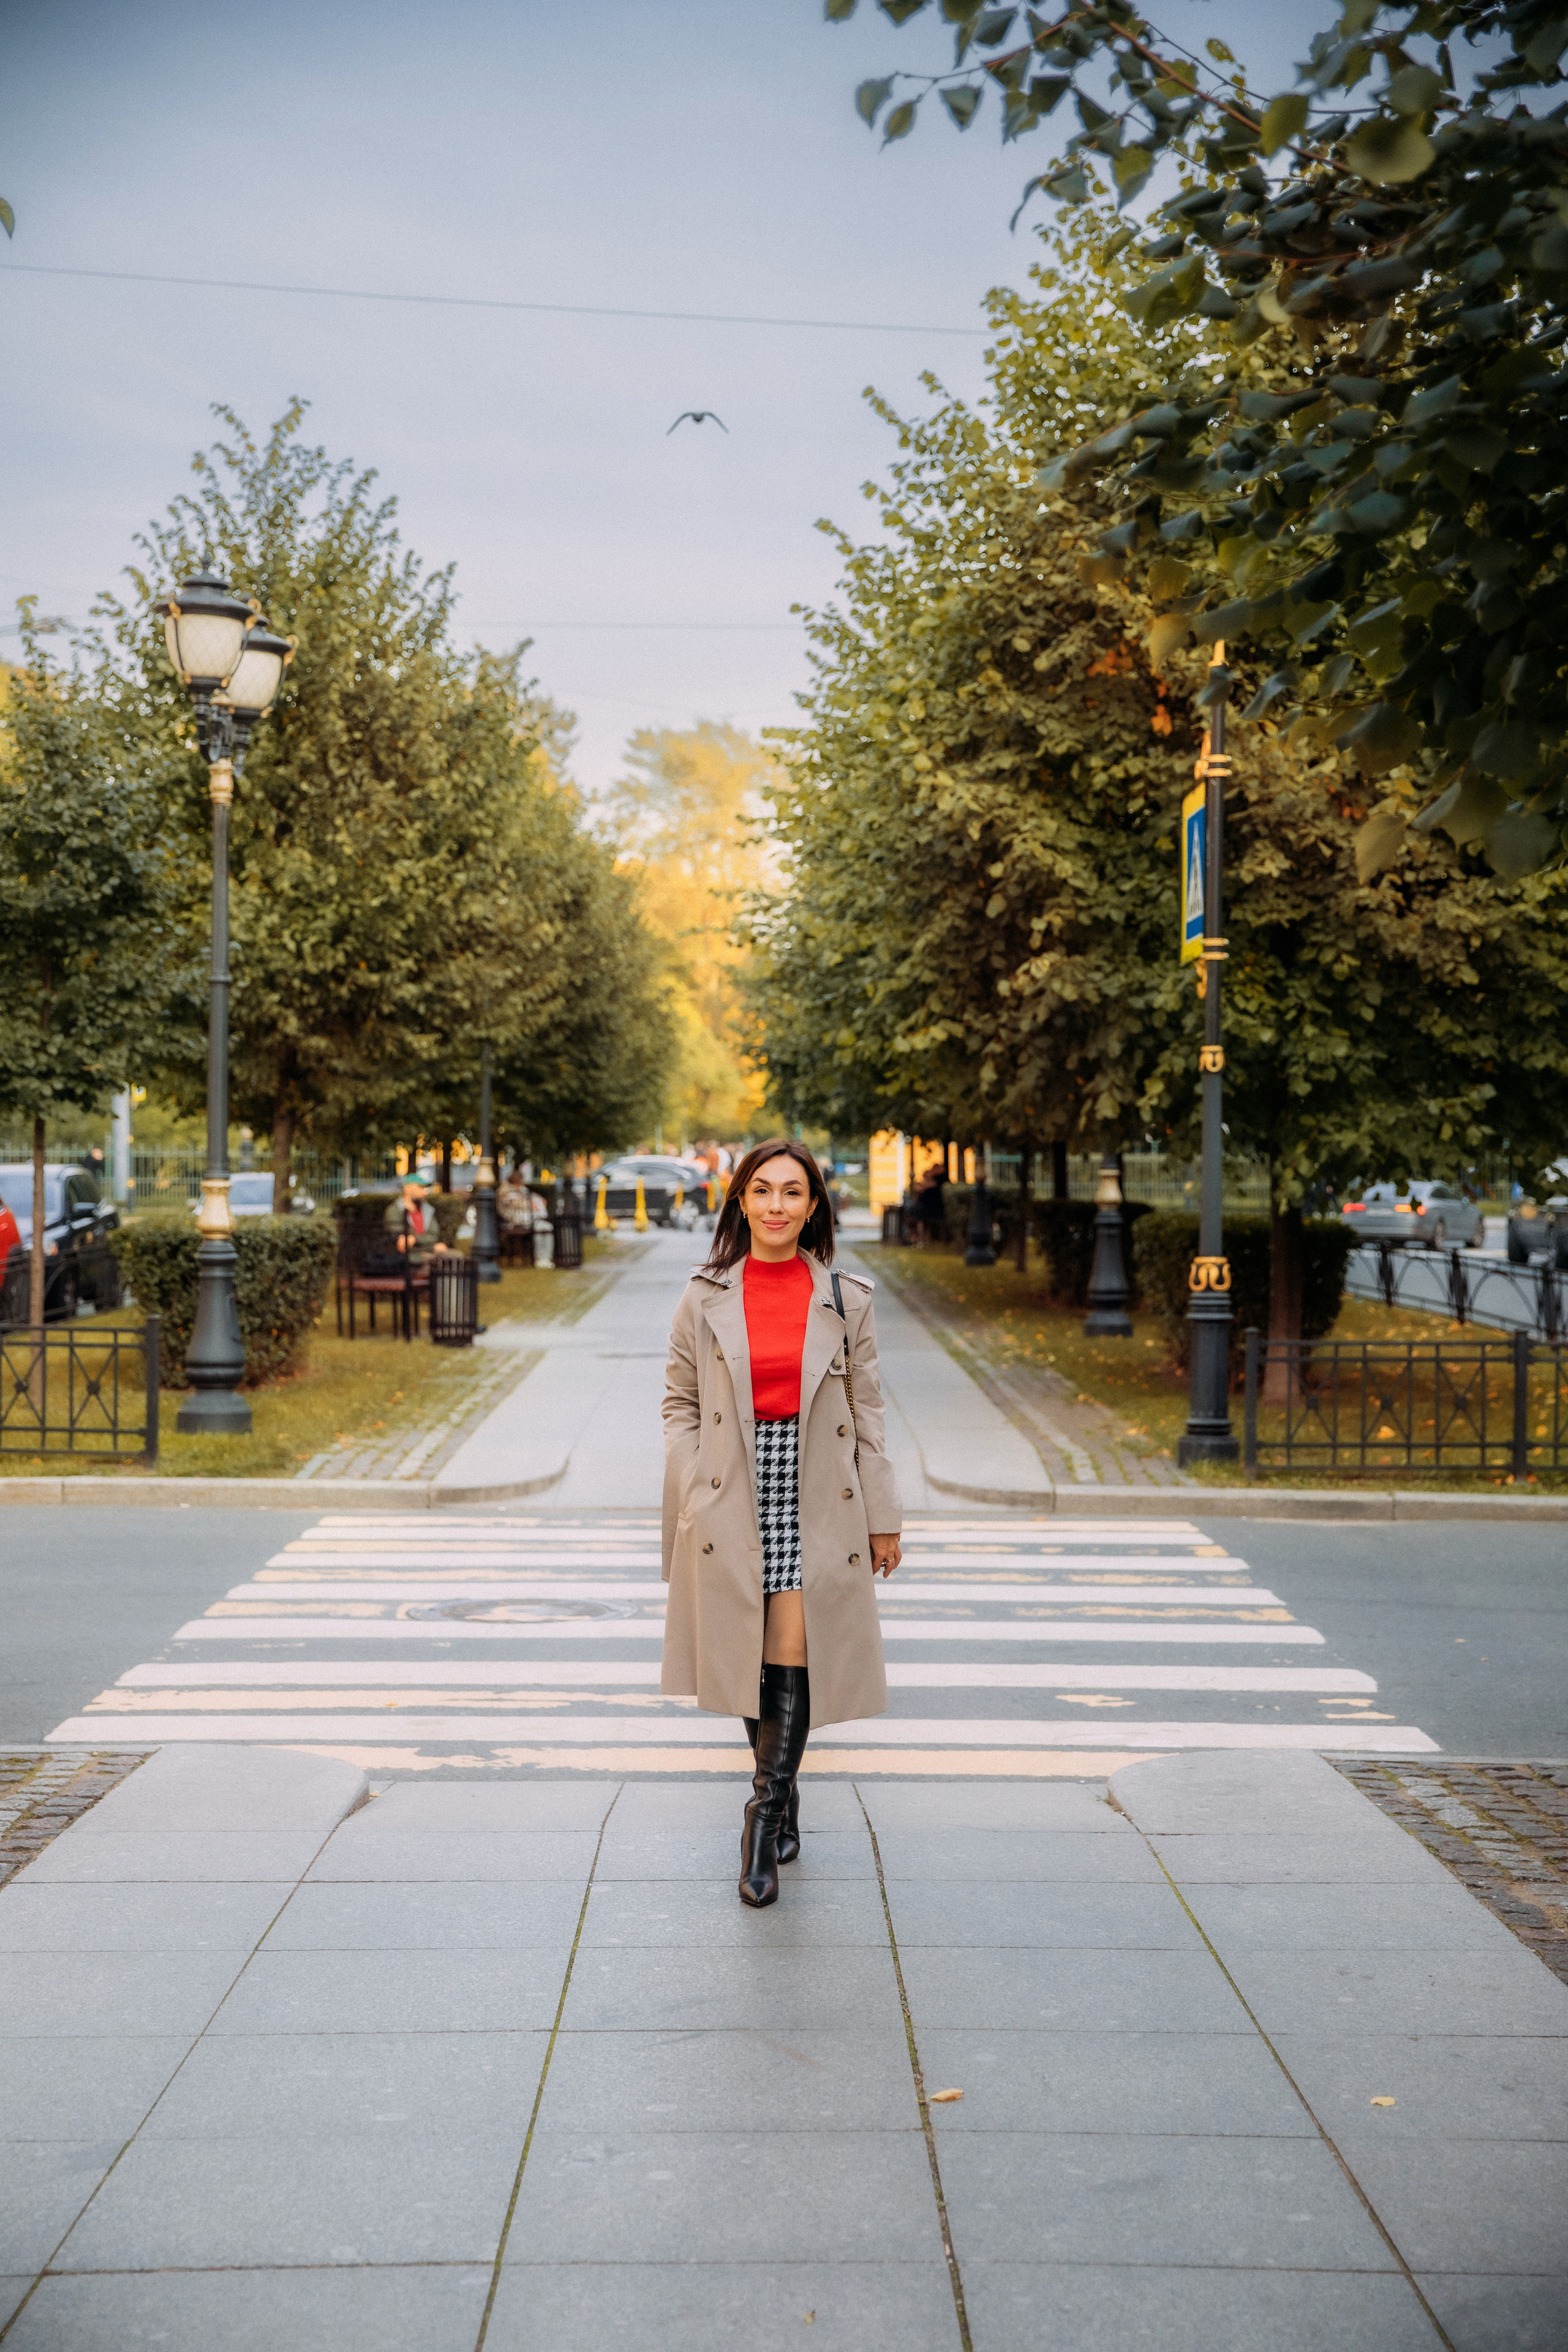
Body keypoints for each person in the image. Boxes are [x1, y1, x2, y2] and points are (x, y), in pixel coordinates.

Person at [660, 1137, 903, 1909]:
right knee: (743, 1649)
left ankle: (761, 1820)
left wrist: (883, 1518)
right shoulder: (704, 1296)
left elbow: (868, 1415)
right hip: (732, 1482)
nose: (775, 1206)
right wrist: (694, 1478)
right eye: (761, 1191)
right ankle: (785, 1792)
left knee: (792, 1647)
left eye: (791, 1193)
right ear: (739, 1201)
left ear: (813, 1206)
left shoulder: (846, 1298)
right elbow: (679, 1403)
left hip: (815, 1488)